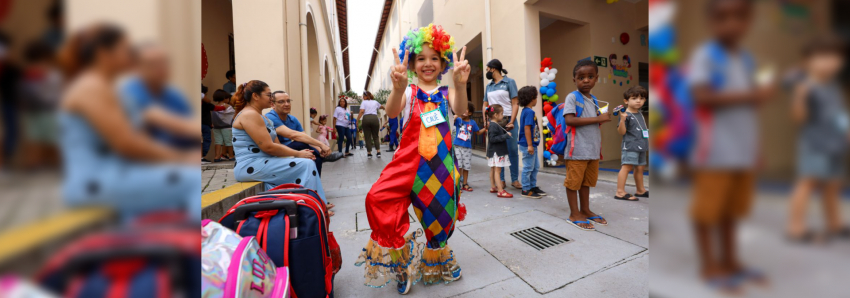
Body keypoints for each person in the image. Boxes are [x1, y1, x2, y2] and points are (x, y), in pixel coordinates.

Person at [354, 24, 470, 294]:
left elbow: (461, 109)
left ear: (443, 63)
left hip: (440, 167)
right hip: (406, 164)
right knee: (377, 199)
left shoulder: (446, 92)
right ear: (411, 63)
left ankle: (440, 255)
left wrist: (460, 86)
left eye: (434, 58)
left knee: (440, 218)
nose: (428, 64)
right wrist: (397, 88)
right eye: (421, 58)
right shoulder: (407, 90)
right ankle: (401, 263)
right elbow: (393, 113)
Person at [58, 23, 199, 221]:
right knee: (193, 180)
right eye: (125, 49)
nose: (130, 54)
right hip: (93, 181)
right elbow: (126, 143)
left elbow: (148, 130)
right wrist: (181, 159)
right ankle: (202, 248)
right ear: (103, 53)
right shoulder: (90, 87)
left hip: (116, 175)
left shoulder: (113, 90)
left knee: (169, 192)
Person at [687, 0, 772, 292]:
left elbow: (750, 112)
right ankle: (710, 264)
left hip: (743, 151)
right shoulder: (706, 55)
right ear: (711, 22)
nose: (731, 24)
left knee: (732, 211)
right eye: (722, 17)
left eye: (739, 16)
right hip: (715, 151)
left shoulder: (747, 59)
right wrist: (750, 96)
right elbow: (701, 97)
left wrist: (756, 149)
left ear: (748, 21)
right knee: (708, 211)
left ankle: (731, 259)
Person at [786, 35, 850, 242]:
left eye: (836, 57)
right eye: (822, 57)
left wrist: (847, 130)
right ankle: (795, 228)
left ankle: (834, 223)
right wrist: (799, 97)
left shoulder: (833, 85)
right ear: (807, 60)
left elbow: (838, 113)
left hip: (835, 144)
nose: (830, 62)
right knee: (807, 182)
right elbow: (799, 118)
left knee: (833, 184)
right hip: (814, 144)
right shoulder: (804, 85)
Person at [230, 80, 330, 208]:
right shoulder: (249, 114)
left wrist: (296, 155)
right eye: (268, 95)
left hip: (263, 162)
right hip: (250, 165)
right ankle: (313, 206)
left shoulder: (263, 117)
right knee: (306, 164)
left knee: (307, 161)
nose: (271, 98)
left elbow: (277, 144)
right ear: (255, 96)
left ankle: (314, 204)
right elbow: (268, 147)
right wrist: (298, 154)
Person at [121, 43, 199, 151]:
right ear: (136, 67)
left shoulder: (174, 94)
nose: (161, 68)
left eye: (164, 63)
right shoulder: (129, 92)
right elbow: (159, 118)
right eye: (153, 64)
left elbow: (191, 127)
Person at [563, 59, 611, 231]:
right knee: (573, 182)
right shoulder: (572, 97)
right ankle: (574, 213)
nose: (586, 80)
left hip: (592, 150)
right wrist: (598, 118)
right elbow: (570, 120)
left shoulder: (594, 99)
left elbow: (591, 122)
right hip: (577, 150)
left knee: (586, 182)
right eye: (581, 77)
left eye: (590, 76)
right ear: (574, 79)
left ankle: (585, 209)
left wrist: (602, 118)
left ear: (596, 78)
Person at [265, 90, 341, 177]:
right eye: (281, 101)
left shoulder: (293, 119)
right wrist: (321, 144)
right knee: (299, 143)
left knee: (316, 157)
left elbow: (305, 138)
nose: (286, 104)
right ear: (272, 104)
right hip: (278, 152)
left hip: (291, 150)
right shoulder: (270, 117)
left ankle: (314, 188)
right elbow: (293, 135)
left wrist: (320, 150)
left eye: (288, 101)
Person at [20, 41, 62, 169]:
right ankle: (53, 165)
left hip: (31, 111)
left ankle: (34, 165)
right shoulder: (47, 72)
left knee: (34, 139)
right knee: (54, 141)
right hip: (49, 110)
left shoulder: (27, 72)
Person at [483, 59, 520, 190]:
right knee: (499, 151)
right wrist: (486, 120)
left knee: (513, 150)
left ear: (493, 68)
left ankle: (515, 179)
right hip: (494, 122)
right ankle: (501, 180)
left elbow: (515, 103)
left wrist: (512, 120)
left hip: (508, 119)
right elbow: (485, 105)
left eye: (487, 69)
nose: (486, 72)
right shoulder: (489, 86)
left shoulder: (509, 82)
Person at [614, 86, 648, 201]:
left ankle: (640, 190)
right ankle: (620, 192)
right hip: (630, 146)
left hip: (642, 145)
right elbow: (621, 132)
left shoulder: (639, 113)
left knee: (640, 168)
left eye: (642, 98)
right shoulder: (625, 114)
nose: (638, 101)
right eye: (634, 98)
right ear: (626, 101)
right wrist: (622, 120)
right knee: (626, 167)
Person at [517, 86, 545, 199]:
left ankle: (532, 186)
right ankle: (526, 189)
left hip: (532, 145)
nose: (536, 100)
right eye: (536, 97)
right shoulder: (528, 112)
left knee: (535, 167)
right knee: (528, 167)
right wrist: (529, 145)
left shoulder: (527, 111)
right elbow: (527, 129)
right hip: (528, 145)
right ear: (532, 98)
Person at [454, 101, 485, 191]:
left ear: (470, 113)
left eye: (465, 109)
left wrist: (485, 128)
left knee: (466, 166)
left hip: (467, 148)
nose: (462, 111)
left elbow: (478, 132)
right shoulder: (458, 120)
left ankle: (465, 183)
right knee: (459, 165)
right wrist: (456, 115)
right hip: (457, 146)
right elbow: (452, 121)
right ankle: (458, 184)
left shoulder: (473, 123)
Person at [486, 105, 513, 198]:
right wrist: (505, 136)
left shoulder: (494, 124)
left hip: (494, 152)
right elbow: (493, 139)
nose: (503, 115)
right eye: (501, 113)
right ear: (496, 115)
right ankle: (500, 190)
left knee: (493, 169)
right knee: (498, 170)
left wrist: (506, 131)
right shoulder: (493, 125)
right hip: (497, 152)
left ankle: (493, 187)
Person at [358, 90, 384, 158]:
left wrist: (357, 120)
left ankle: (369, 153)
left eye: (363, 96)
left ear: (366, 96)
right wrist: (385, 108)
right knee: (375, 136)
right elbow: (381, 106)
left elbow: (362, 111)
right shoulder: (375, 102)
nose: (363, 97)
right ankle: (378, 152)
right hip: (374, 118)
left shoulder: (364, 102)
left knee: (367, 137)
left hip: (366, 118)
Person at [211, 89, 235, 161]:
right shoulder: (228, 107)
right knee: (229, 141)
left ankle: (217, 156)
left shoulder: (215, 107)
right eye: (228, 98)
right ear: (225, 98)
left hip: (216, 127)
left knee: (218, 142)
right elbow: (233, 113)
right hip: (227, 127)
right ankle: (231, 156)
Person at [201, 85, 214, 162]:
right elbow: (213, 106)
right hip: (205, 124)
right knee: (206, 140)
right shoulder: (206, 103)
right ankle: (202, 156)